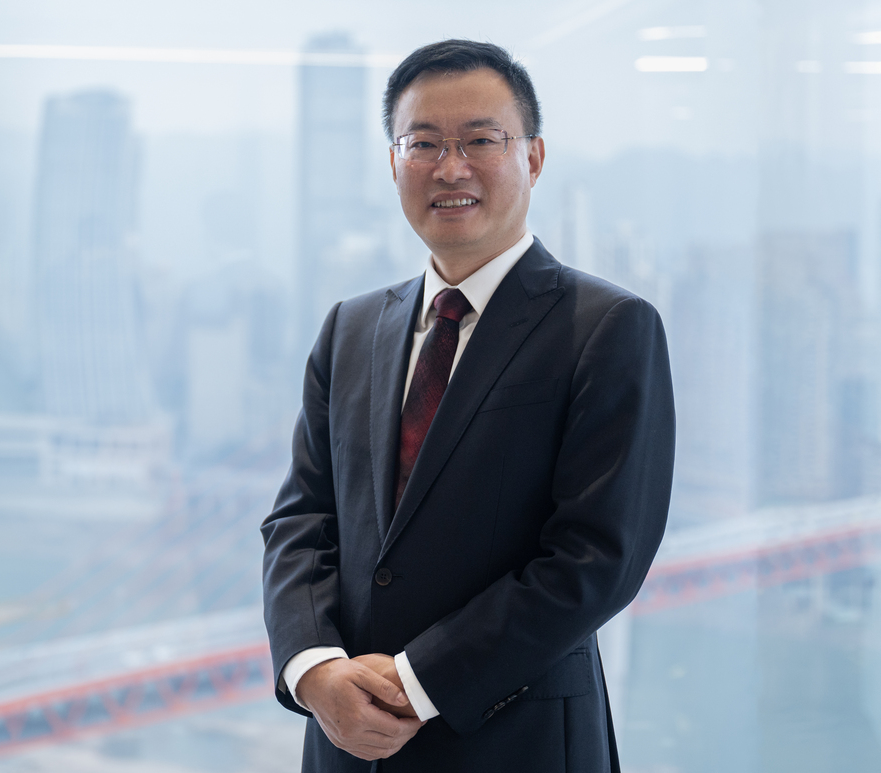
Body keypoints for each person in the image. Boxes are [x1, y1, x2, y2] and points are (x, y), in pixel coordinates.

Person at [261, 39, 675, 772]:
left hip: (519, 744)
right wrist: (315, 668)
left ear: (534, 158)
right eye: (423, 143)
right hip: (346, 743)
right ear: (394, 163)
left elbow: (595, 558)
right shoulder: (350, 328)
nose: (450, 168)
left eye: (481, 140)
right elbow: (301, 519)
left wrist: (416, 682)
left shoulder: (609, 327)